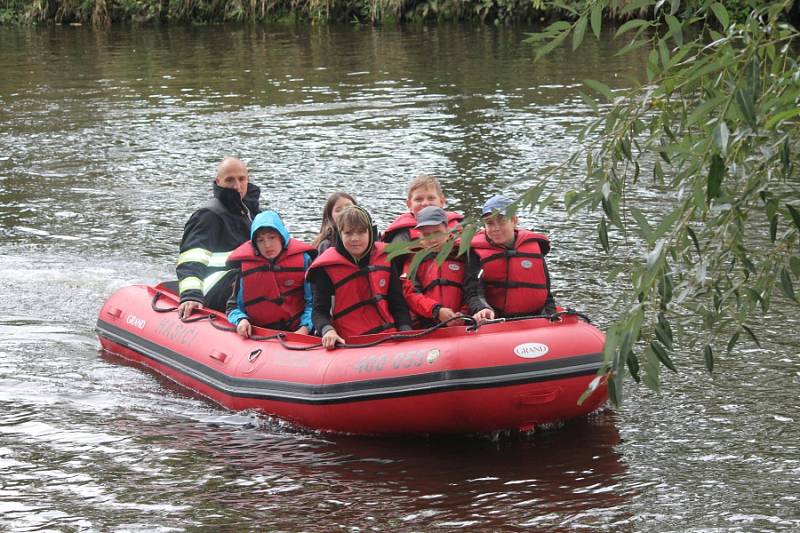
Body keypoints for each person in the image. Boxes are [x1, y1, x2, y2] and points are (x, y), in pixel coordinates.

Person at [308, 205, 412, 349]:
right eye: (348, 233)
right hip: (349, 342)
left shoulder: (385, 258)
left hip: (388, 337)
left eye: (361, 232)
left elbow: (397, 303)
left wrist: (405, 329)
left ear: (370, 233)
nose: (355, 238)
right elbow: (319, 311)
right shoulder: (325, 268)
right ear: (340, 234)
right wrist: (327, 330)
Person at [176, 157, 261, 318]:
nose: (237, 186)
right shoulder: (208, 216)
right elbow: (191, 259)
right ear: (218, 181)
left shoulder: (256, 214)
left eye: (241, 179)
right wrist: (191, 294)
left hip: (245, 284)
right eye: (230, 180)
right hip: (215, 288)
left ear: (248, 179)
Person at [464, 194, 557, 321]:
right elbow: (473, 292)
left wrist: (551, 317)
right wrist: (481, 308)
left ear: (514, 221)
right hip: (496, 320)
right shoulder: (476, 253)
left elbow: (546, 294)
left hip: (534, 319)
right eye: (490, 223)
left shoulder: (534, 247)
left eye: (502, 221)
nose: (495, 228)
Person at [225, 210, 315, 338]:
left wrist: (305, 328)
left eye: (272, 237)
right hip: (259, 334)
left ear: (281, 236)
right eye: (260, 240)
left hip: (298, 332)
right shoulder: (245, 266)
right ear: (254, 244)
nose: (267, 245)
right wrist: (241, 320)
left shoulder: (304, 260)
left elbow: (314, 303)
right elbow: (233, 307)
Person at [400, 206, 469, 328]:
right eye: (426, 234)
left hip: (462, 322)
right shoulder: (413, 261)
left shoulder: (463, 256)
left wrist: (462, 314)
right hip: (427, 325)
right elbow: (411, 294)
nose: (432, 239)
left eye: (437, 233)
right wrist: (436, 311)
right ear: (420, 236)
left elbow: (472, 289)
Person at [382, 174, 463, 244]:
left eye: (431, 198)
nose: (425, 203)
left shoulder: (456, 229)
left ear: (442, 201)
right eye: (418, 199)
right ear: (409, 204)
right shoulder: (403, 233)